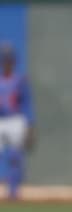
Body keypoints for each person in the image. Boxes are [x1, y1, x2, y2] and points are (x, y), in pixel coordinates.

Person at [0, 42, 35, 200]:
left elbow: (27, 104)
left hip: (15, 120)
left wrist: (30, 126)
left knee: (15, 156)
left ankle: (13, 192)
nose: (6, 62)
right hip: (1, 120)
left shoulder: (20, 80)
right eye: (4, 59)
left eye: (9, 59)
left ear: (13, 61)